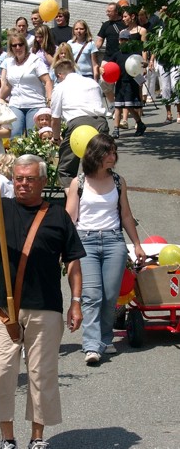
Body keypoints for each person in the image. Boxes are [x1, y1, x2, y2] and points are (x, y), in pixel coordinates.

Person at [0, 154, 84, 449]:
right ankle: (7, 438)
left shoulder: (58, 215)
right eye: (19, 178)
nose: (22, 184)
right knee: (0, 374)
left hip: (45, 307)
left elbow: (73, 261)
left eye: (29, 179)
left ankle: (37, 438)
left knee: (42, 375)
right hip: (3, 310)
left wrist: (75, 301)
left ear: (43, 181)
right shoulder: (1, 208)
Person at [65, 133, 146, 364]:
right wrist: (64, 248)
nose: (113, 156)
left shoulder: (119, 182)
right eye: (108, 152)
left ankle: (105, 337)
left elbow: (126, 215)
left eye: (114, 152)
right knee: (91, 294)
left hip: (113, 241)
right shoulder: (78, 183)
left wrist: (137, 244)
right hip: (85, 241)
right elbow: (70, 218)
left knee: (110, 296)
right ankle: (91, 345)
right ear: (95, 155)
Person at [50, 59, 109, 194]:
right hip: (100, 123)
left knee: (66, 170)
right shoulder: (92, 83)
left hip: (78, 125)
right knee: (100, 166)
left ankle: (74, 203)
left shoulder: (60, 87)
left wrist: (55, 137)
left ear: (59, 75)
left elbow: (55, 119)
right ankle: (102, 197)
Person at [0, 33, 53, 138]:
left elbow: (47, 81)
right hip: (16, 104)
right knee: (14, 136)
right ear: (11, 48)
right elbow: (8, 85)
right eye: (14, 45)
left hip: (35, 104)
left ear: (25, 45)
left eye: (20, 44)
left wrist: (50, 99)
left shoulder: (35, 60)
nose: (18, 47)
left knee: (33, 136)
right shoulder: (9, 63)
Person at [104, 29, 147, 138]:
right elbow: (109, 66)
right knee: (118, 106)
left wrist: (145, 65)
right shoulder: (116, 55)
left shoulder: (134, 55)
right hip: (120, 83)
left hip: (130, 83)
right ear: (119, 41)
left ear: (129, 41)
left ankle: (139, 123)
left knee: (129, 106)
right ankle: (116, 129)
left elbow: (141, 64)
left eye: (126, 40)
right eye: (121, 39)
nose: (123, 42)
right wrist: (102, 69)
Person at [95, 3, 127, 116]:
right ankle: (113, 105)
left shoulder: (124, 24)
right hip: (108, 57)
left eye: (109, 11)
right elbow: (99, 41)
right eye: (107, 11)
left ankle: (123, 108)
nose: (107, 13)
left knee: (121, 83)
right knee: (104, 82)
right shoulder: (106, 25)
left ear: (116, 12)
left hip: (122, 57)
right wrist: (92, 51)